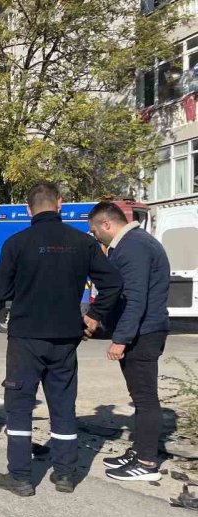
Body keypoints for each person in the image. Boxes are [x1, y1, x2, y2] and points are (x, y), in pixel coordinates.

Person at [0, 182, 122, 497]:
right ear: (60, 204)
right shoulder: (82, 243)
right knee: (63, 406)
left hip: (25, 338)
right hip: (66, 338)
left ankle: (20, 476)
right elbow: (113, 282)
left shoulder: (16, 243)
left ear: (28, 209)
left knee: (20, 406)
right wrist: (93, 315)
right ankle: (65, 475)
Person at [87, 201, 171, 482]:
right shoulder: (132, 244)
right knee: (139, 397)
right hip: (142, 331)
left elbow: (135, 299)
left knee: (145, 399)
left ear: (106, 225)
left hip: (144, 334)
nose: (95, 237)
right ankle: (139, 450)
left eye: (94, 231)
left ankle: (147, 463)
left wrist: (120, 340)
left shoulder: (133, 246)